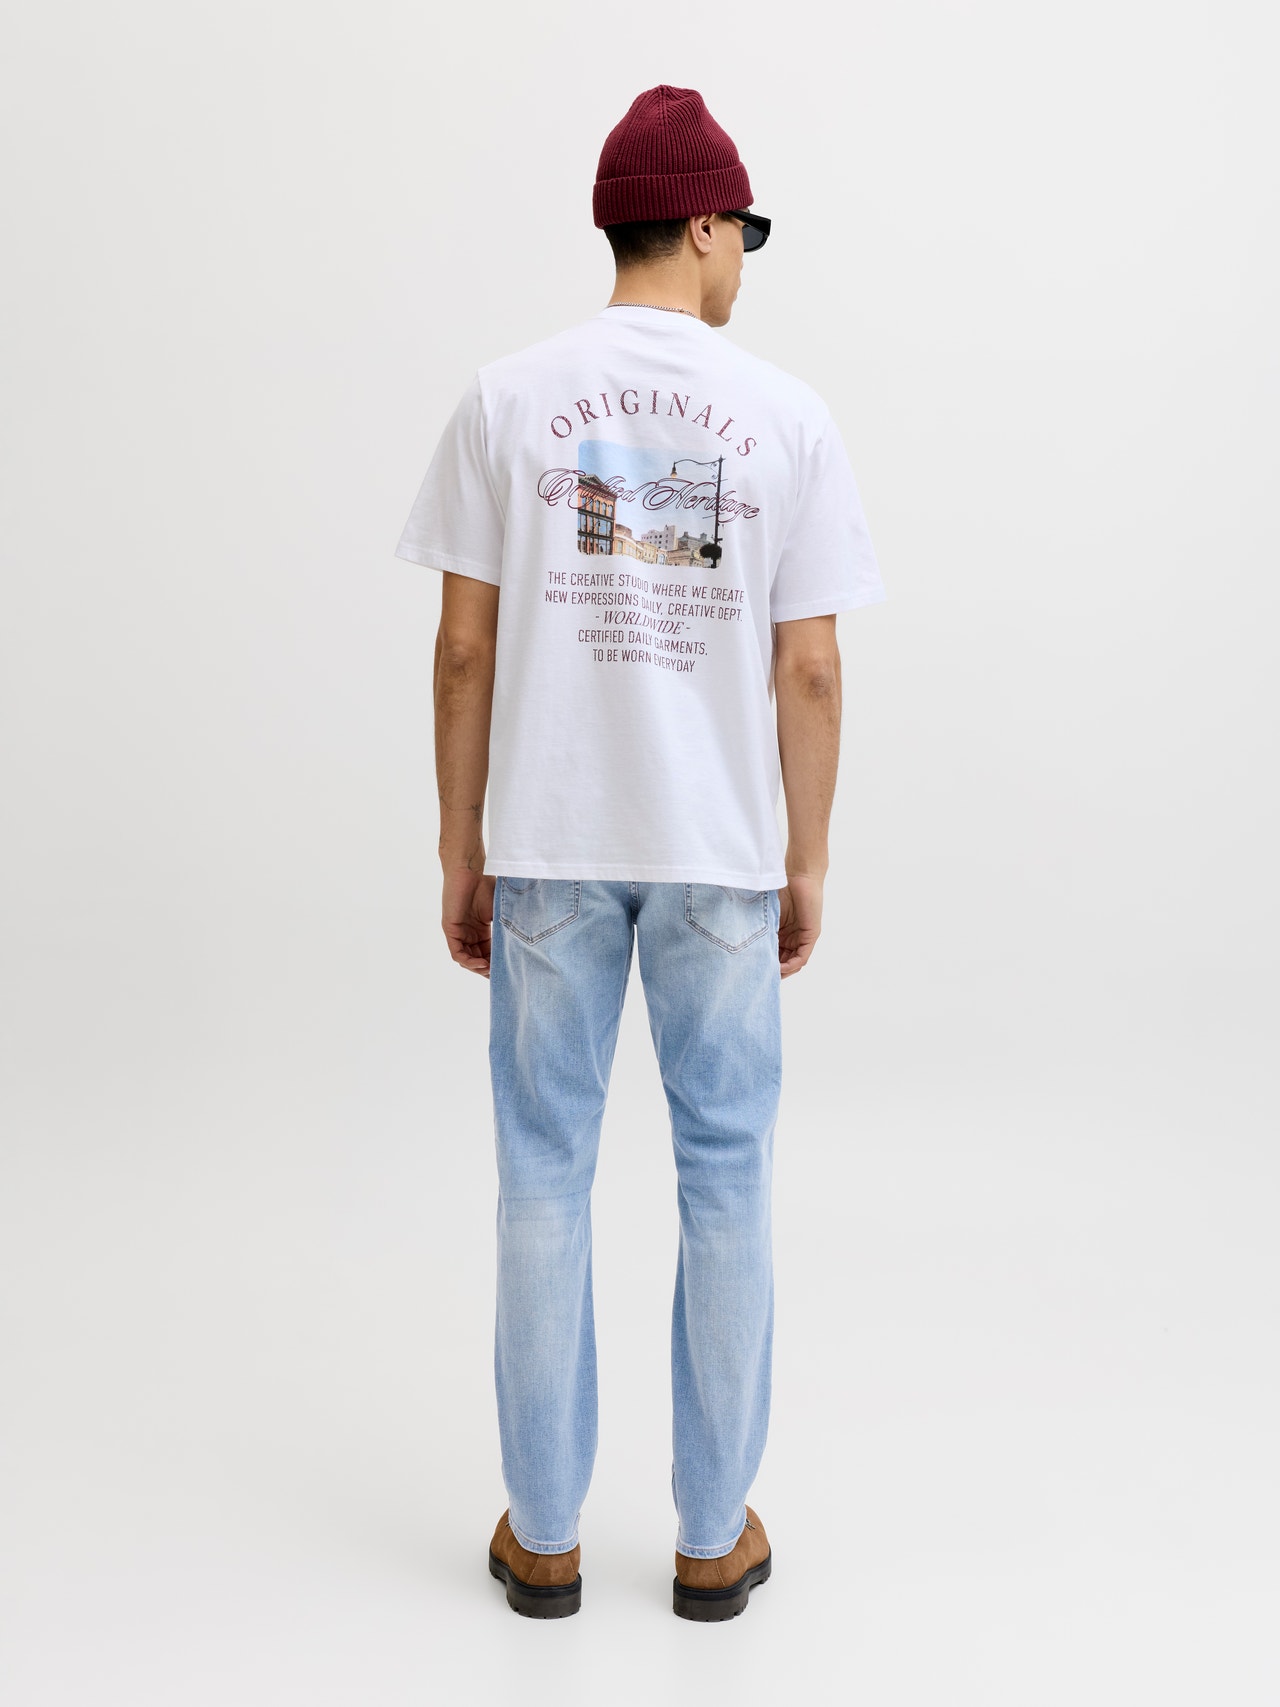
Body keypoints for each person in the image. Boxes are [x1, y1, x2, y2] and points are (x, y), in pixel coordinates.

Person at [393, 84, 886, 1622]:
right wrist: (808, 858)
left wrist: (461, 844)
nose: (745, 263)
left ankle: (543, 1537)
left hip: (548, 837)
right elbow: (811, 670)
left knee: (543, 1176)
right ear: (703, 224)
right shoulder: (788, 417)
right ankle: (710, 1538)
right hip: (718, 850)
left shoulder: (505, 399)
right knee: (725, 1178)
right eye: (744, 235)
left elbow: (462, 651)